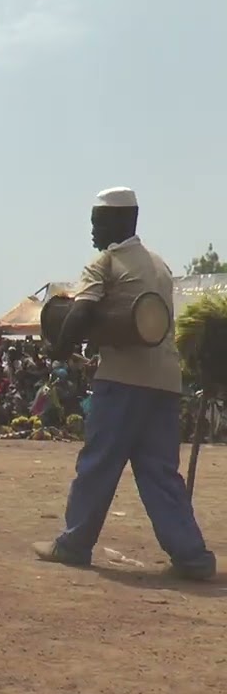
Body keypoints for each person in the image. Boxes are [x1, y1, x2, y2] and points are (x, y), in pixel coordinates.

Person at [33, 186, 215, 580]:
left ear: (119, 221)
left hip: (122, 382)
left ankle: (74, 544)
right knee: (161, 472)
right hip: (166, 382)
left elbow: (80, 313)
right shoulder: (159, 265)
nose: (94, 232)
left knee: (99, 463)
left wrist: (60, 348)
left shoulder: (105, 262)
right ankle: (192, 557)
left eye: (97, 223)